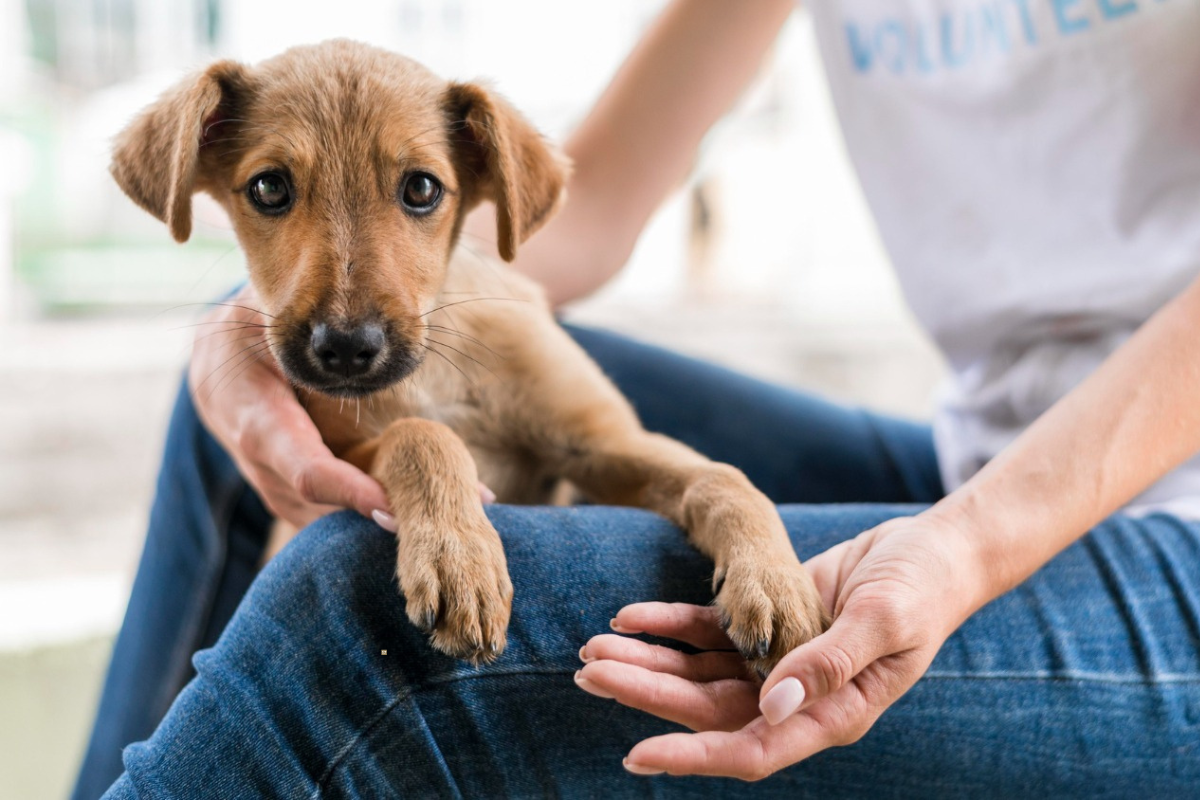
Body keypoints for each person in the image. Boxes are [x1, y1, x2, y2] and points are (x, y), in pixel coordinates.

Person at [75, 0, 1200, 796]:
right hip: (983, 451)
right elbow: (589, 201)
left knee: (360, 607)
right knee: (238, 378)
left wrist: (967, 546)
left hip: (1167, 533)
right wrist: (240, 323)